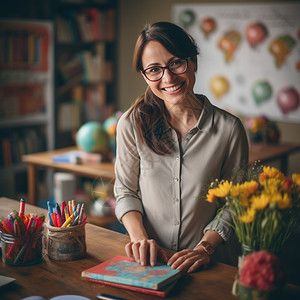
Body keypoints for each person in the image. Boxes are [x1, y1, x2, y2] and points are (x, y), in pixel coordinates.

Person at [114, 22, 249, 274]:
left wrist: (204, 248)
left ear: (193, 62)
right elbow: (125, 190)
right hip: (151, 262)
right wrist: (140, 238)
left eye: (176, 63)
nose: (167, 78)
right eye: (154, 69)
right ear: (144, 75)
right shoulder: (131, 123)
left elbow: (235, 202)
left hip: (211, 263)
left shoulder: (230, 129)